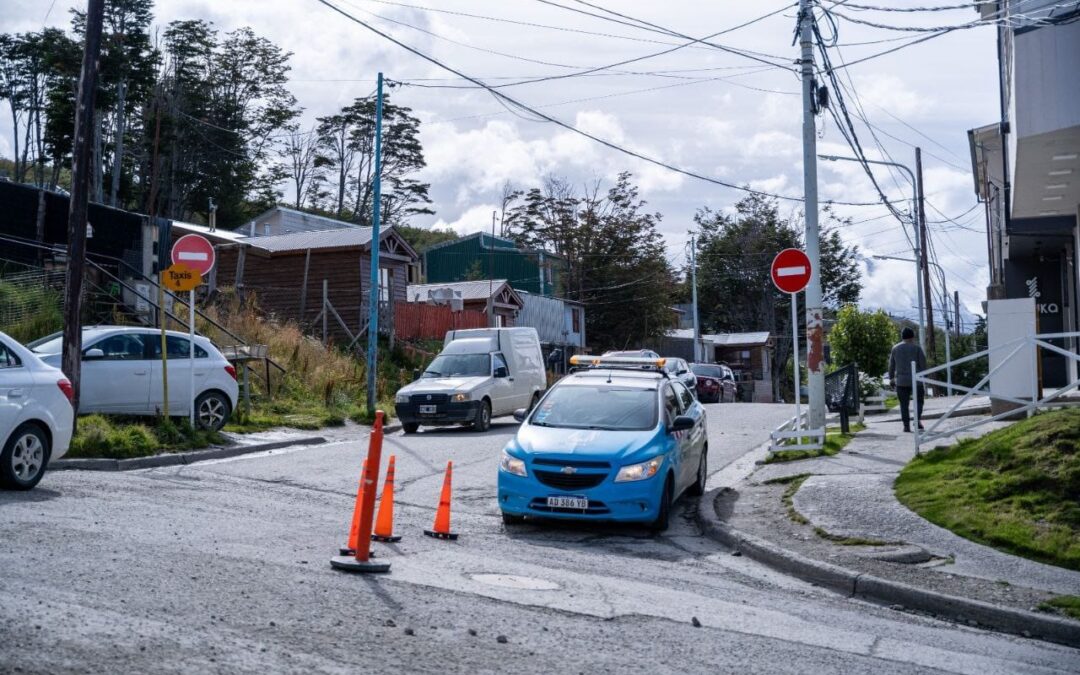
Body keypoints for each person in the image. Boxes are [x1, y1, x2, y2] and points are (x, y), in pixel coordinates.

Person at [888, 326, 927, 432]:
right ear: (912, 337)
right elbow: (923, 364)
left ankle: (906, 426)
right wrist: (926, 378)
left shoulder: (895, 348)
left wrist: (891, 378)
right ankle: (917, 420)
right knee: (919, 401)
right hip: (916, 380)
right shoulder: (917, 348)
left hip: (901, 381)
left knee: (904, 404)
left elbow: (891, 365)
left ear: (902, 337)